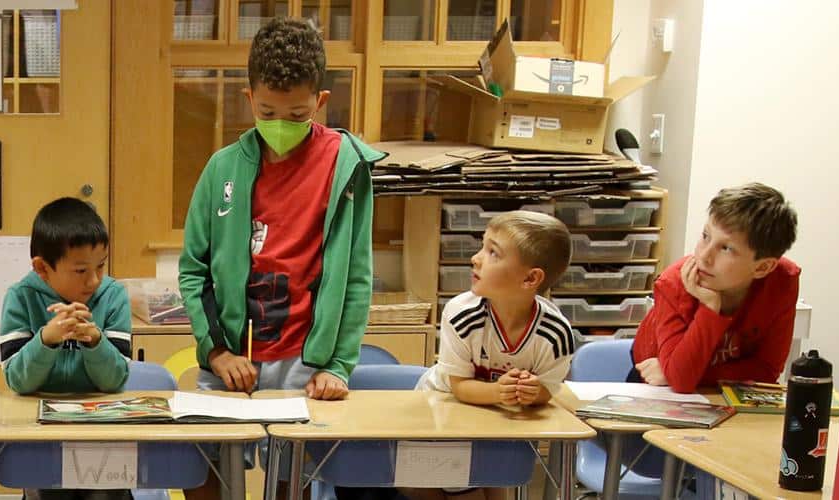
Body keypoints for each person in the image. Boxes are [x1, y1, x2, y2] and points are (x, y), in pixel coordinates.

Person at [178, 17, 381, 500]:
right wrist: (217, 351)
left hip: (304, 357)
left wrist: (338, 365)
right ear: (249, 98)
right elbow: (194, 271)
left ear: (320, 102)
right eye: (267, 112)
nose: (281, 125)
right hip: (233, 355)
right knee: (198, 463)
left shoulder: (345, 165)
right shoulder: (223, 167)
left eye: (297, 114)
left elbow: (356, 277)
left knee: (292, 479)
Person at [403, 211, 579, 500]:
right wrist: (499, 391)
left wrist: (532, 392)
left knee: (495, 483)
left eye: (493, 252)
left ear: (530, 278)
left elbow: (548, 391)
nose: (476, 258)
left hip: (497, 420)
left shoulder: (555, 333)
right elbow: (459, 386)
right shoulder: (461, 314)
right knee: (438, 488)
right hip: (440, 411)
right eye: (482, 247)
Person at [633, 183, 802, 393]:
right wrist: (710, 308)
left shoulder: (783, 281)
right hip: (650, 383)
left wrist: (690, 373)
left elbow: (767, 371)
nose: (704, 256)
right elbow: (681, 381)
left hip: (714, 388)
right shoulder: (674, 282)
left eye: (726, 248)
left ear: (762, 267)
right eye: (705, 236)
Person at [0, 197, 132, 398]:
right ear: (43, 268)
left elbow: (115, 381)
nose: (94, 281)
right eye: (81, 271)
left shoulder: (114, 295)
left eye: (100, 266)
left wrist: (95, 340)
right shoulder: (21, 297)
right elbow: (18, 382)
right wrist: (46, 339)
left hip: (97, 409)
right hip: (35, 410)